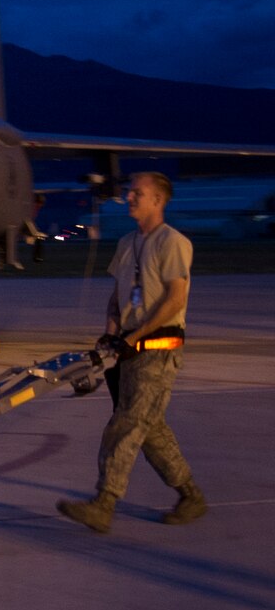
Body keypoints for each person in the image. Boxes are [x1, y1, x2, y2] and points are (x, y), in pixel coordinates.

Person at [57, 172, 205, 533]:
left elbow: (175, 299)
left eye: (138, 193)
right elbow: (118, 294)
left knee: (125, 425)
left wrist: (134, 336)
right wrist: (110, 335)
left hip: (157, 349)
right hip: (128, 349)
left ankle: (104, 504)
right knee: (149, 428)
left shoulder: (173, 242)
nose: (129, 198)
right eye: (129, 193)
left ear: (159, 200)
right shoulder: (127, 243)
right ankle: (191, 496)